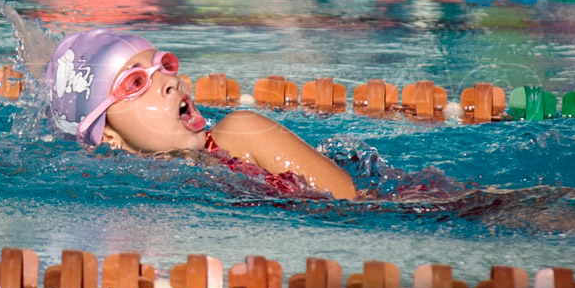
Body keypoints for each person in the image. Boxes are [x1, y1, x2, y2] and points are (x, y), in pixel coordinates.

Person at [44, 29, 358, 200]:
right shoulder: (137, 189)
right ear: (109, 137)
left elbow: (351, 203)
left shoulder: (241, 133)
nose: (170, 81)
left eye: (162, 65)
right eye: (136, 82)